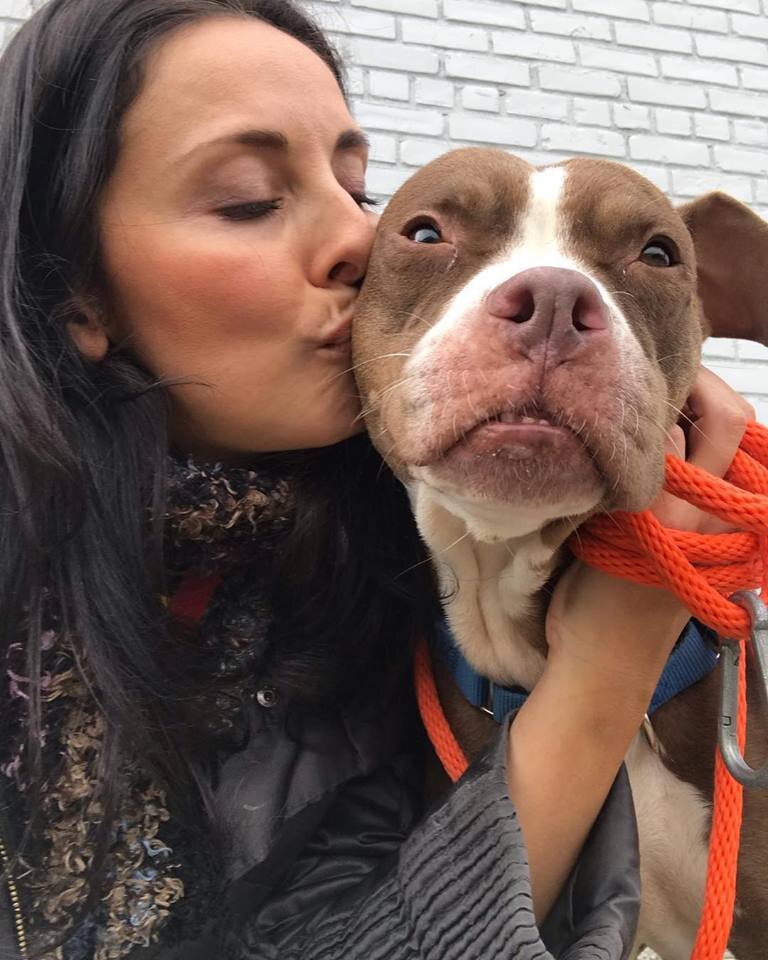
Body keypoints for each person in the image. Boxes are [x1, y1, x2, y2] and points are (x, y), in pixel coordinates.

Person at [0, 1, 754, 958]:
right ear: (76, 293)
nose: (362, 246)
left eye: (358, 192)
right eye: (247, 198)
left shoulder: (372, 584)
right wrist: (615, 652)